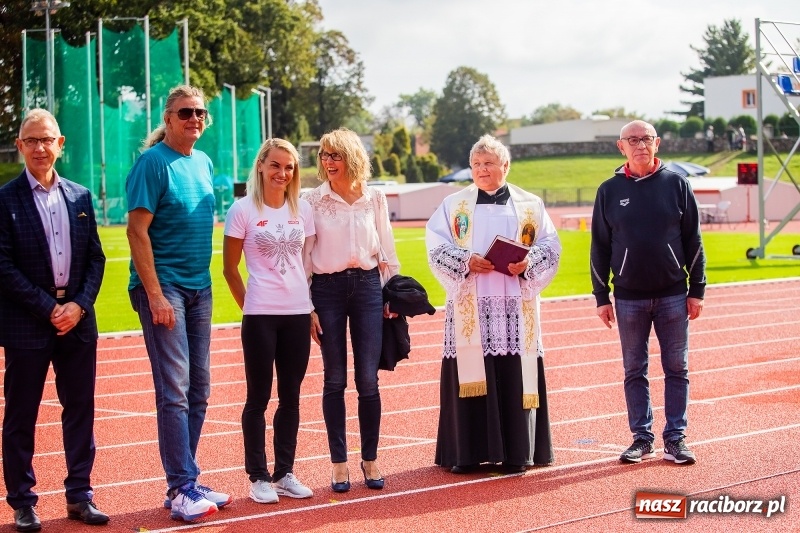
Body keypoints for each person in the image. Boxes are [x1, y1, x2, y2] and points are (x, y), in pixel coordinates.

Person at [425, 134, 561, 474]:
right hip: (472, 299)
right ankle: (468, 454)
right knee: (473, 369)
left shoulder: (529, 205)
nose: (482, 169)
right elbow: (436, 247)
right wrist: (465, 260)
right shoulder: (454, 205)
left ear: (506, 166)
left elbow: (550, 246)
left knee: (514, 369)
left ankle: (518, 453)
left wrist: (528, 263)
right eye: (476, 164)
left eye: (488, 163)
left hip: (515, 302)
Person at [126, 85, 230, 522]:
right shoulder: (151, 164)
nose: (195, 118)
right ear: (168, 118)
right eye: (186, 112)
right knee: (176, 389)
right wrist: (154, 294)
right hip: (164, 287)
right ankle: (181, 485)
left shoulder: (203, 162)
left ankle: (185, 479)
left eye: (200, 112)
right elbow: (136, 232)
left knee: (200, 387)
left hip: (198, 289)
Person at [0, 109, 108, 530]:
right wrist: (49, 308)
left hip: (78, 320)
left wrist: (78, 305)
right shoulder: (5, 199)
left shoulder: (80, 196)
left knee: (80, 409)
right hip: (28, 322)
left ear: (60, 144)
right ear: (20, 145)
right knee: (22, 414)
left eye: (47, 140)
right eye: (31, 140)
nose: (40, 148)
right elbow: (3, 267)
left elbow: (95, 258)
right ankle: (23, 501)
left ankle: (80, 496)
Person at [590, 120, 706, 466]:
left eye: (646, 139)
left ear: (657, 143)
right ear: (620, 146)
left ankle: (676, 438)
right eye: (633, 140)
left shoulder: (677, 185)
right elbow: (599, 247)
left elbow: (693, 240)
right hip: (627, 297)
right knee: (634, 369)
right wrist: (601, 296)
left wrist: (697, 289)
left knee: (676, 367)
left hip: (673, 293)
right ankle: (641, 438)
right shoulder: (608, 190)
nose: (640, 144)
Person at [303, 128, 400, 493]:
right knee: (334, 379)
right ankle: (339, 463)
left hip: (368, 288)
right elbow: (304, 255)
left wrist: (393, 293)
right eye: (324, 155)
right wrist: (307, 305)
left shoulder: (374, 198)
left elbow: (387, 249)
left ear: (352, 158)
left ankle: (370, 458)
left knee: (368, 379)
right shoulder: (312, 200)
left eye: (335, 155)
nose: (328, 161)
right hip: (326, 291)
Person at [222, 138, 315, 504]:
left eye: (289, 167)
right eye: (275, 165)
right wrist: (251, 307)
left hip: (296, 314)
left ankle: (284, 473)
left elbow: (307, 264)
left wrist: (309, 307)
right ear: (261, 166)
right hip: (260, 316)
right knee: (258, 397)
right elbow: (230, 270)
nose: (282, 173)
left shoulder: (301, 209)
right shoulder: (242, 209)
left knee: (290, 397)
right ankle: (258, 475)